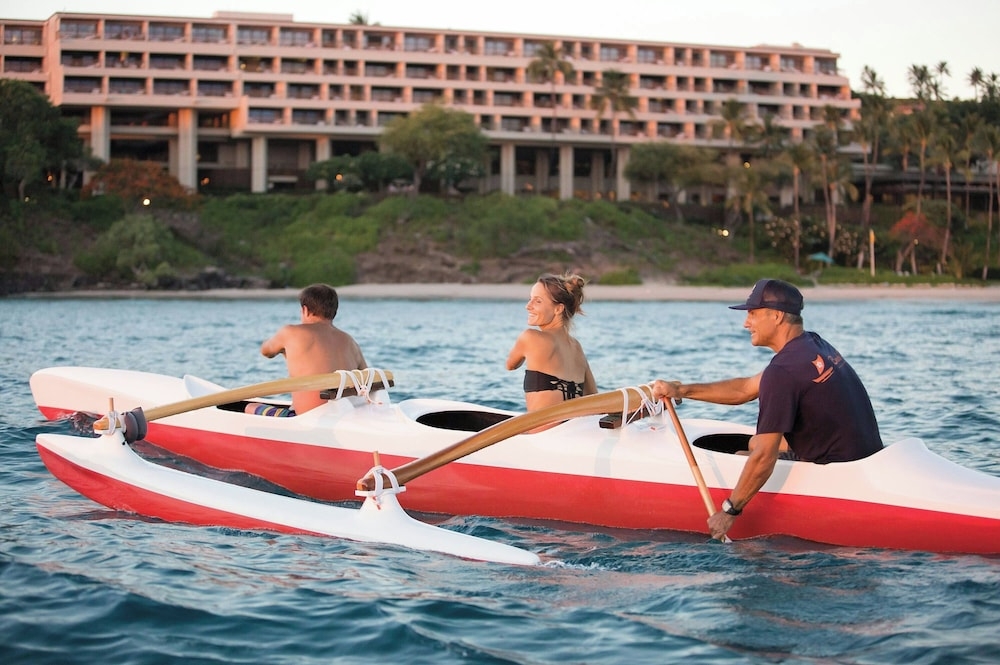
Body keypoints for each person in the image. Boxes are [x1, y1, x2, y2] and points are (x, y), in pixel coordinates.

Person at [651, 278, 883, 541]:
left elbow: (764, 458)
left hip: (836, 475)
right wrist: (682, 391)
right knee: (748, 446)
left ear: (776, 316)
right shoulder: (814, 344)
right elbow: (745, 389)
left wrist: (729, 511)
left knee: (751, 453)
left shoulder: (782, 371)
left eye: (752, 313)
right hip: (864, 458)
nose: (745, 323)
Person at [247, 283, 367, 416]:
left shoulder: (290, 332)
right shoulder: (350, 341)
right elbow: (366, 378)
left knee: (250, 407)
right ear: (334, 312)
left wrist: (284, 350)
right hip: (345, 415)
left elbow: (266, 351)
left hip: (309, 420)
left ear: (305, 310)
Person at [506, 273, 597, 419]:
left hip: (545, 435)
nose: (528, 306)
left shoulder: (530, 337)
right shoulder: (576, 347)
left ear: (558, 309)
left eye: (537, 301)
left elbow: (510, 365)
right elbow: (593, 396)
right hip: (574, 429)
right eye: (530, 300)